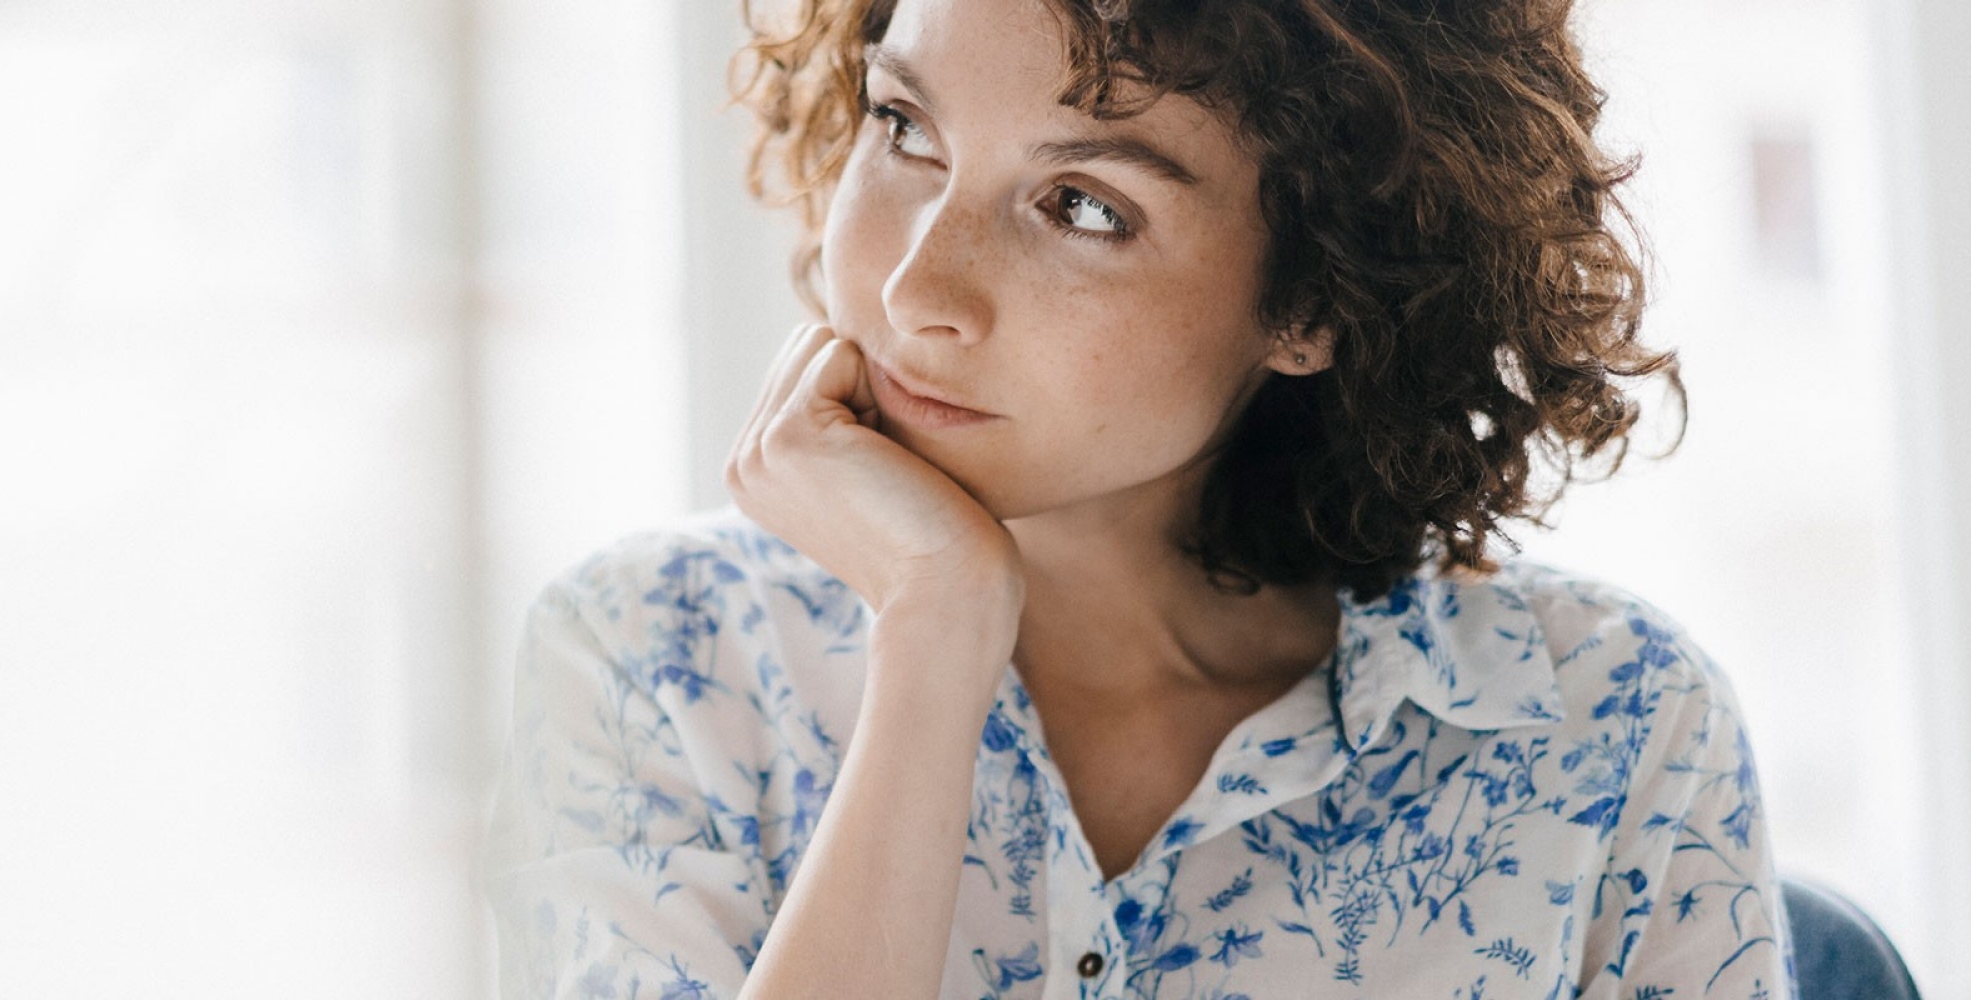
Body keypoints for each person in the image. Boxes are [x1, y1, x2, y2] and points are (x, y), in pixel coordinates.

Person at [477, 0, 1792, 997]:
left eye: (1081, 207)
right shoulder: (646, 666)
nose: (918, 288)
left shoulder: (1608, 738)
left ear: (1317, 297)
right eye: (904, 128)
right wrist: (936, 634)